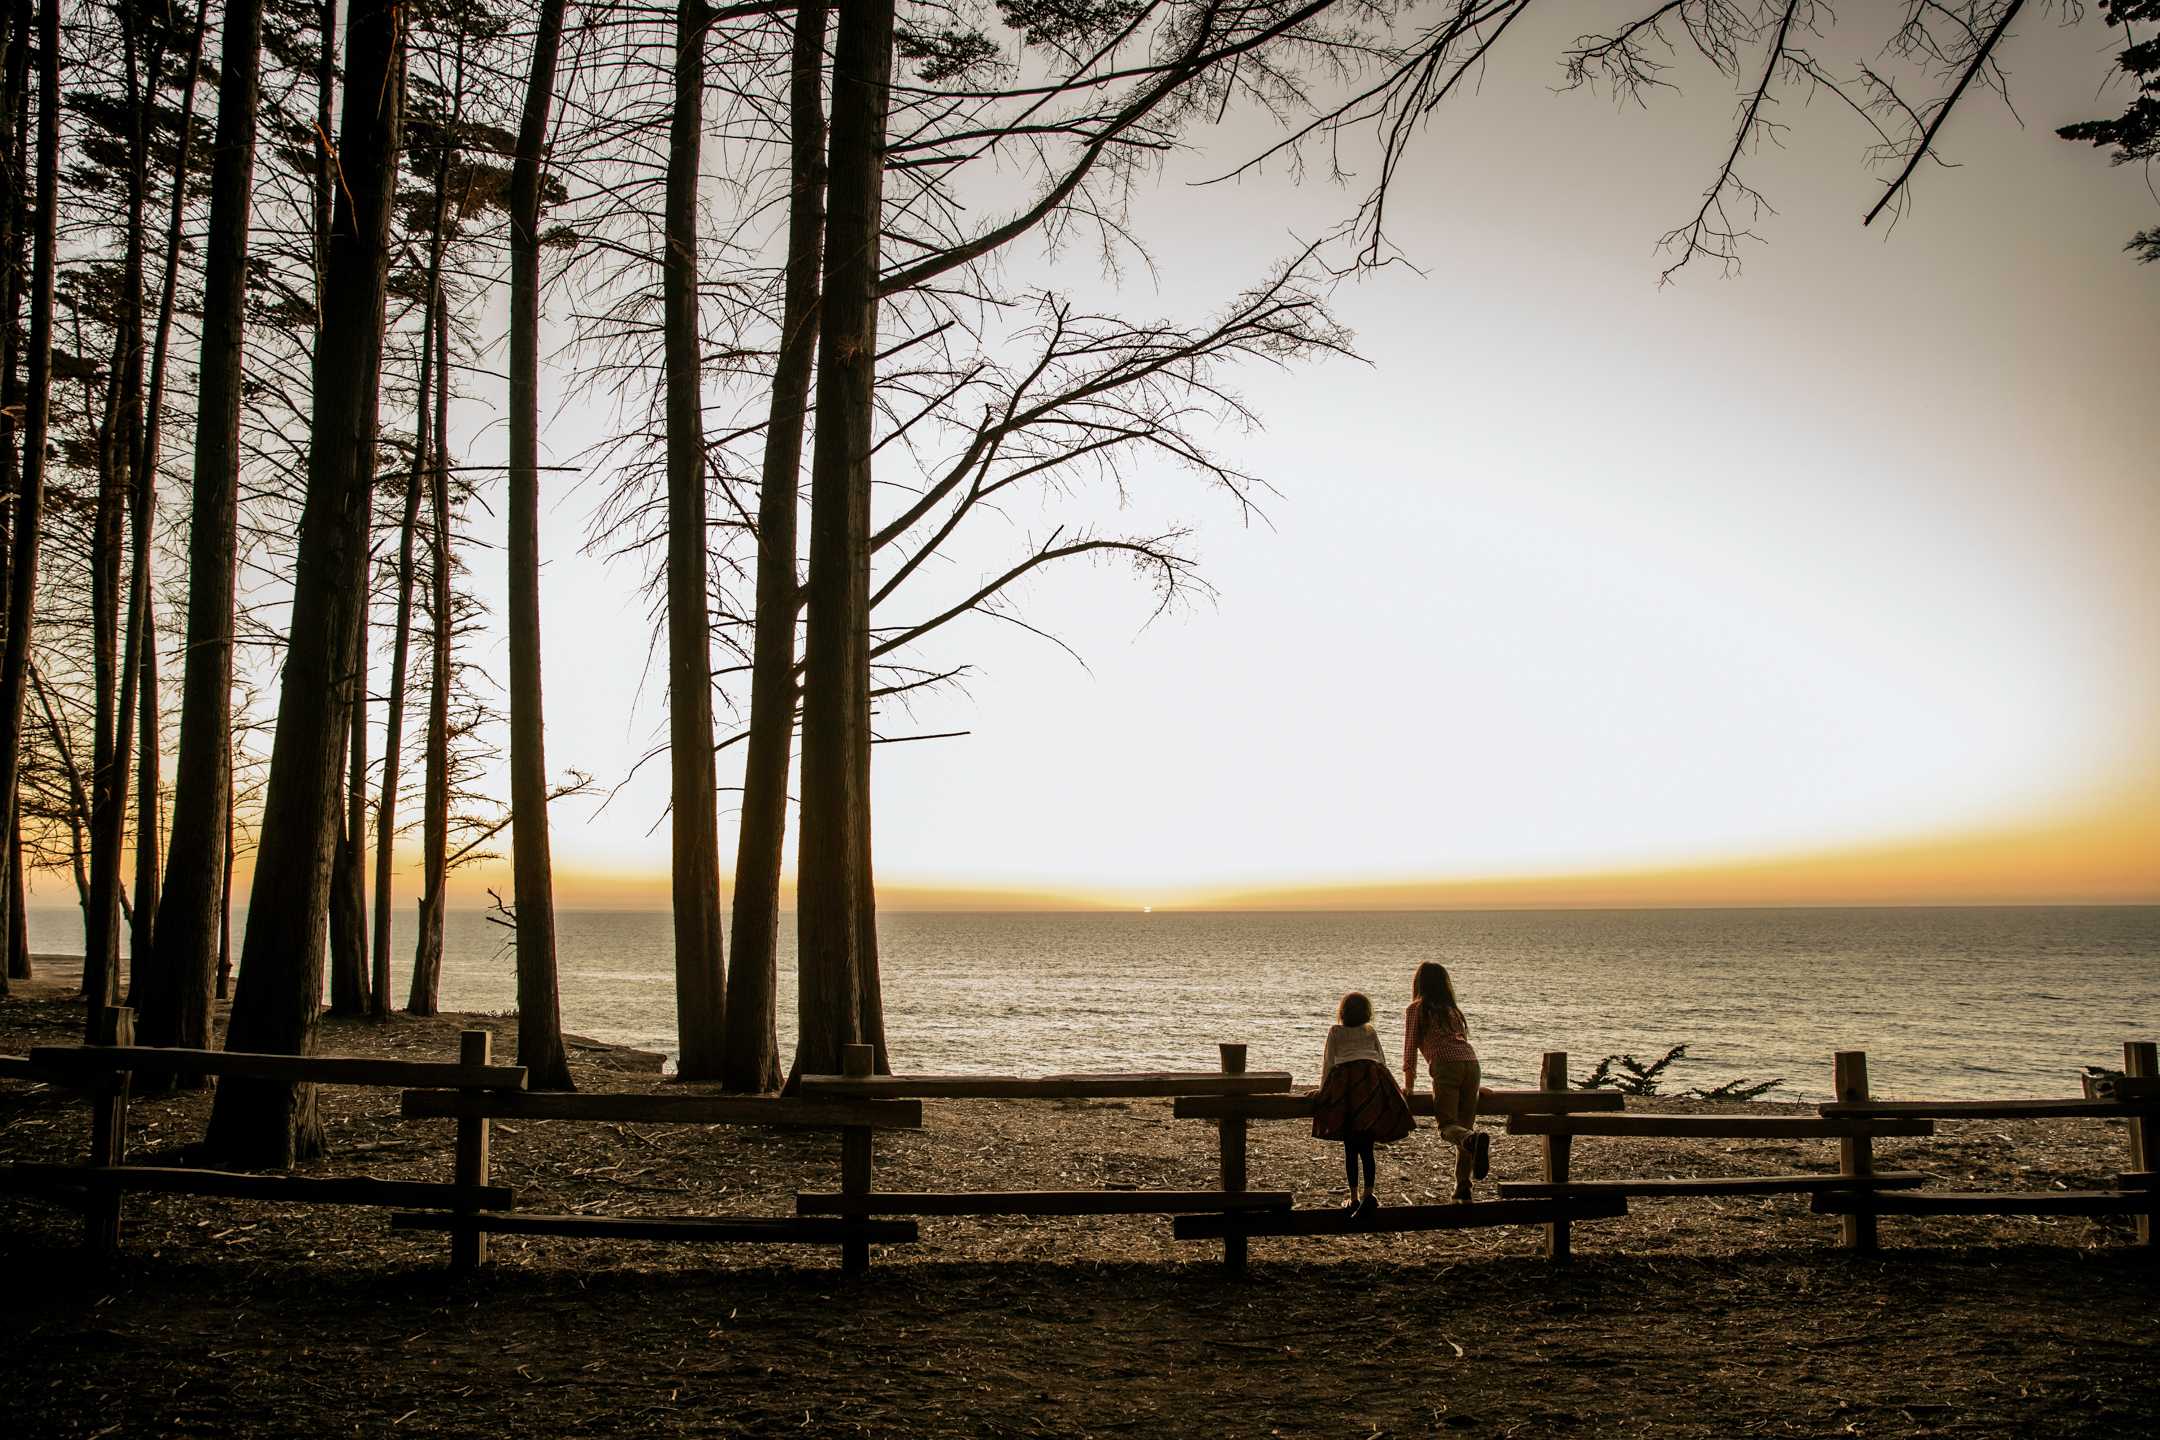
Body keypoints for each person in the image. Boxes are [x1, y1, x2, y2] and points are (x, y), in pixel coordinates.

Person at [1310, 991, 1415, 1215]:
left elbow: (1328, 1063)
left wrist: (1322, 1092)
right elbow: (1381, 1060)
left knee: (1350, 1146)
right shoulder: (1369, 1031)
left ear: (1343, 1012)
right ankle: (1369, 1194)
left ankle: (1354, 1197)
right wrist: (1387, 1090)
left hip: (1347, 1086)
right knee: (1367, 1147)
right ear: (1367, 1012)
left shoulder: (1335, 1031)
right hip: (1370, 1083)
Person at [1403, 961, 1488, 1203]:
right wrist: (1473, 1084)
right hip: (1471, 1065)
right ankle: (1463, 1187)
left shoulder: (1416, 1009)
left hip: (1445, 1066)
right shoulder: (1452, 1011)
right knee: (1464, 1127)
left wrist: (1408, 1085)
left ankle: (1472, 1142)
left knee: (1448, 1127)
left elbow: (1410, 1048)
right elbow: (1459, 1042)